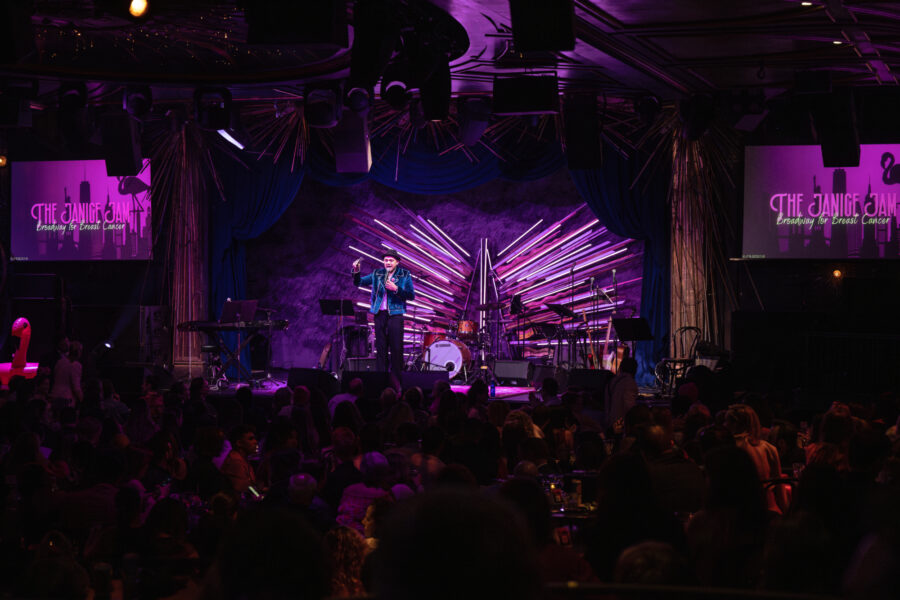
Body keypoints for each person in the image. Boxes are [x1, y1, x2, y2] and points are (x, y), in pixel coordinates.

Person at [351, 251, 415, 377]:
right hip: (380, 314)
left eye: (391, 260)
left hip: (396, 315)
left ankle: (397, 379)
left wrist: (396, 289)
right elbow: (359, 282)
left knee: (396, 348)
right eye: (386, 260)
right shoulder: (377, 273)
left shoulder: (404, 274)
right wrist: (356, 271)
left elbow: (411, 295)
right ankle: (381, 378)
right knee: (381, 348)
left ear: (397, 262)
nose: (388, 262)